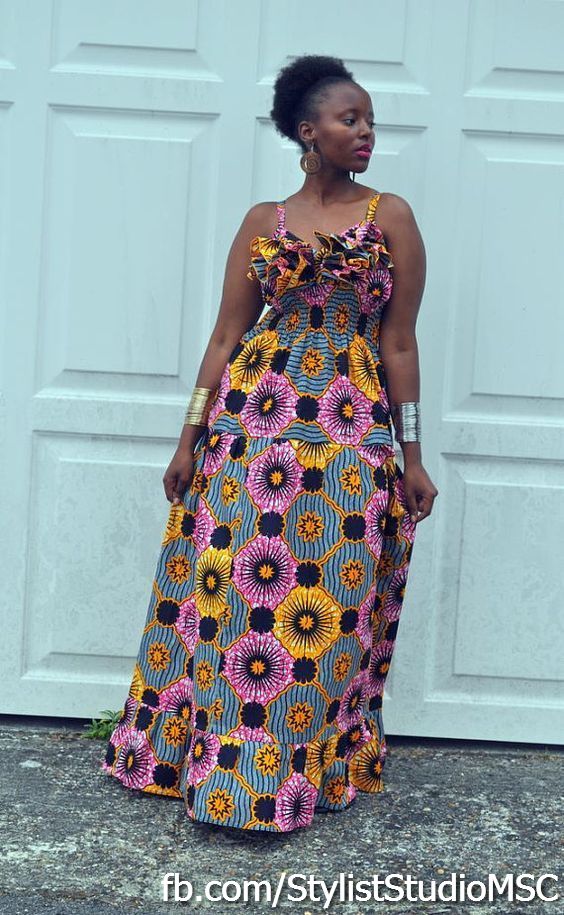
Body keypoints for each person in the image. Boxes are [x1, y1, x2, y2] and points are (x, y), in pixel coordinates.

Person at [102, 53, 438, 833]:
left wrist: (412, 454)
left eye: (370, 120)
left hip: (348, 431)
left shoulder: (391, 216)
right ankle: (218, 766)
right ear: (306, 131)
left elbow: (399, 343)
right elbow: (226, 336)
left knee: (327, 598)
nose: (366, 132)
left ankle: (296, 767)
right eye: (350, 119)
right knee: (232, 594)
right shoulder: (263, 221)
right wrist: (187, 438)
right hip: (251, 429)